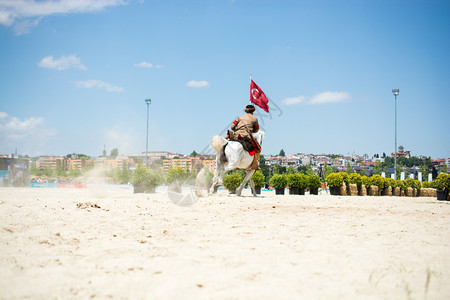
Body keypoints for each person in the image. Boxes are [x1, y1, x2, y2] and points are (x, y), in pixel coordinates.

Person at [227, 104, 261, 170]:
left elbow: (232, 126)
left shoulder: (240, 117)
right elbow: (256, 130)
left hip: (236, 135)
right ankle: (254, 165)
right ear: (253, 111)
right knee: (258, 149)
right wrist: (252, 131)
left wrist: (236, 130)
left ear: (245, 110)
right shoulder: (255, 119)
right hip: (246, 136)